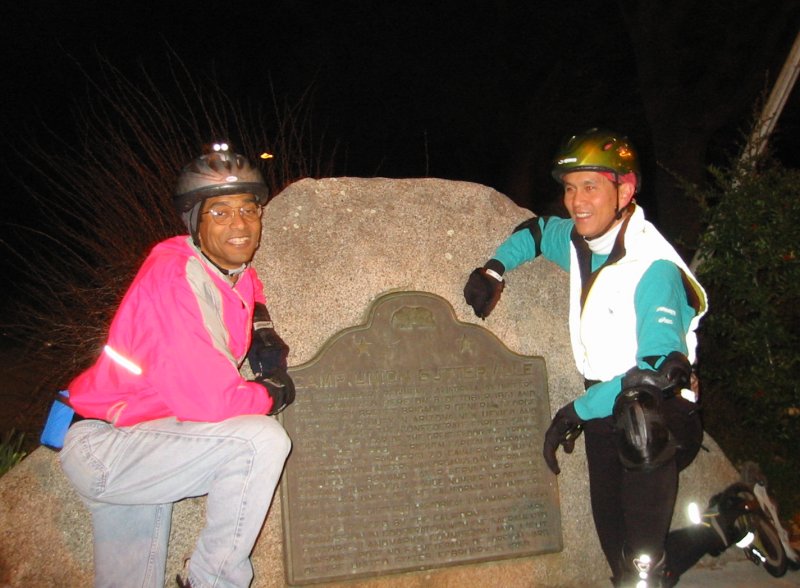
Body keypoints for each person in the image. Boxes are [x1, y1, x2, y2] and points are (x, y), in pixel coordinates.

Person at [463, 128, 767, 586]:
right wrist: (494, 269)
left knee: (637, 573)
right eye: (569, 188)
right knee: (624, 561)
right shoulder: (584, 239)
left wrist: (573, 412)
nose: (576, 201)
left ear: (624, 190)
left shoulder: (653, 267)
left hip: (658, 420)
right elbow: (539, 231)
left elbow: (657, 375)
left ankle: (652, 568)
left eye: (590, 187)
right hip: (608, 412)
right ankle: (730, 522)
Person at [59, 145, 295, 588]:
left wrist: (261, 327)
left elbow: (246, 281)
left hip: (145, 439)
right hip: (110, 447)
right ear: (194, 222)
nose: (240, 225)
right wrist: (272, 392)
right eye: (220, 213)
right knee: (258, 441)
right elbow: (211, 402)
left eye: (248, 209)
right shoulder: (174, 278)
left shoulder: (220, 268)